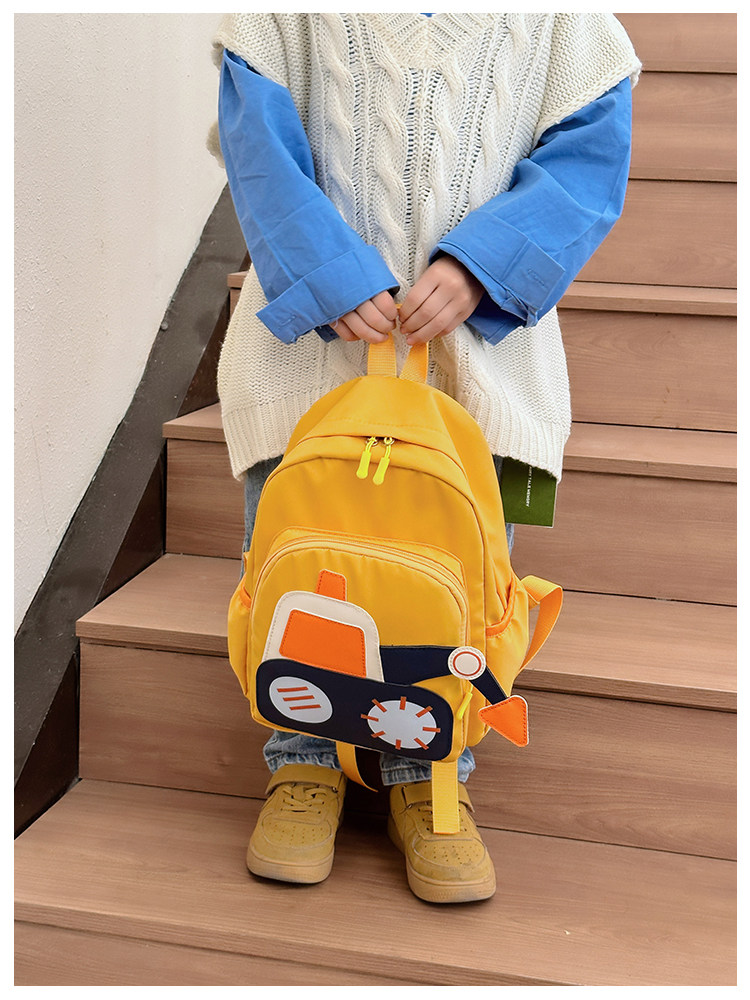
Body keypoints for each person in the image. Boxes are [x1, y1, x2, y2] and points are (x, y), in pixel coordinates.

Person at [210, 12, 640, 903]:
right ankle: (303, 761)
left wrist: (487, 265)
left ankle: (432, 773)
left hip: (480, 359)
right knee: (298, 576)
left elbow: (589, 158)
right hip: (309, 358)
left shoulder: (567, 21)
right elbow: (257, 145)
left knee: (461, 590)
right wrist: (324, 272)